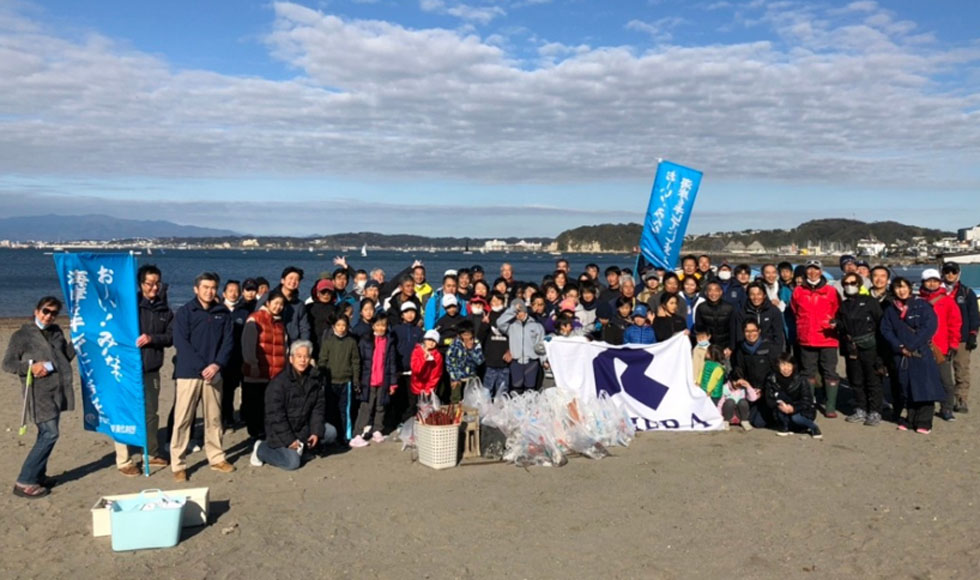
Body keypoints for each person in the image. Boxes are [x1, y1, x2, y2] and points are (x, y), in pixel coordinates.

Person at [3, 297, 75, 498]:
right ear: (36, 311)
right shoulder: (22, 335)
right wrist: (31, 368)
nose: (49, 316)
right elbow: (8, 364)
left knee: (45, 434)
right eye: (46, 311)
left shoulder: (56, 332)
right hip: (37, 393)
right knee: (50, 434)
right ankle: (24, 481)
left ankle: (39, 474)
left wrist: (75, 344)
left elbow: (63, 359)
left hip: (57, 391)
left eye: (53, 313)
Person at [171, 272, 236, 481]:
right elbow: (181, 343)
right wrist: (202, 367)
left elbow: (228, 342)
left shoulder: (223, 313)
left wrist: (217, 365)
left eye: (213, 287)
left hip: (215, 373)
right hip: (189, 373)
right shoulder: (185, 312)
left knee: (214, 419)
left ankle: (216, 457)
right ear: (196, 289)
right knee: (183, 419)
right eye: (205, 287)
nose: (209, 291)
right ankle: (178, 463)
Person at [115, 265, 172, 477]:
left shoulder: (163, 309)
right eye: (149, 283)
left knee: (150, 413)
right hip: (128, 369)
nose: (154, 287)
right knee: (125, 413)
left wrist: (152, 338)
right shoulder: (129, 306)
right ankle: (124, 459)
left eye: (157, 283)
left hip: (151, 368)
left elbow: (171, 336)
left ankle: (151, 451)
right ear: (140, 284)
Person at [249, 340, 328, 471]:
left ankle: (302, 447)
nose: (303, 360)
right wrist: (289, 440)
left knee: (329, 432)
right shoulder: (279, 383)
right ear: (291, 359)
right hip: (280, 432)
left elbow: (317, 408)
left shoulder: (314, 379)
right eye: (299, 356)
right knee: (292, 463)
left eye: (306, 356)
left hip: (302, 428)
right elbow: (275, 416)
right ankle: (261, 449)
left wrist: (315, 432)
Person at [880, 277, 945, 434]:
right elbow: (886, 330)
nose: (901, 290)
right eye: (897, 288)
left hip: (920, 352)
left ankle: (924, 422)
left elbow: (929, 327)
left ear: (909, 288)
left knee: (925, 387)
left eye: (903, 287)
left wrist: (911, 345)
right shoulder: (891, 309)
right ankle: (910, 419)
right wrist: (899, 346)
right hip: (901, 354)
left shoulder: (922, 305)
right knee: (907, 387)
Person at [791, 260, 842, 418]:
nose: (813, 273)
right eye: (810, 270)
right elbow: (795, 310)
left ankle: (830, 406)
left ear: (821, 272)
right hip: (806, 337)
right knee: (808, 372)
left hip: (827, 337)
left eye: (816, 270)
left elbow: (837, 310)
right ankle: (809, 403)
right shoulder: (798, 291)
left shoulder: (831, 291)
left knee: (830, 371)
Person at [835, 273, 884, 426]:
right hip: (852, 347)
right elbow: (843, 326)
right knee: (855, 380)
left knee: (873, 379)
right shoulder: (843, 305)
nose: (850, 285)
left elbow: (880, 324)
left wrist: (881, 351)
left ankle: (875, 411)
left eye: (853, 282)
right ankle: (860, 408)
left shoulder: (870, 302)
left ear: (859, 284)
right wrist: (836, 324)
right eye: (846, 283)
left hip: (870, 346)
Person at [241, 289, 288, 440]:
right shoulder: (255, 319)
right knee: (255, 406)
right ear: (267, 303)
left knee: (270, 405)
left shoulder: (280, 324)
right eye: (275, 303)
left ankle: (266, 434)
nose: (278, 306)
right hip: (257, 371)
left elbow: (284, 348)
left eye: (281, 304)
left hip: (275, 373)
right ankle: (255, 435)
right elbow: (248, 344)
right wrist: (252, 364)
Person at [919, 268, 962, 422]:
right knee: (924, 381)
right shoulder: (918, 301)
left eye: (935, 281)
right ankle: (925, 408)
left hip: (942, 347)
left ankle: (947, 409)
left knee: (946, 381)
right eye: (928, 281)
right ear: (923, 282)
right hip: (922, 347)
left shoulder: (947, 301)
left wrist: (953, 344)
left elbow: (955, 324)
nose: (932, 284)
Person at [350, 316, 398, 448]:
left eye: (383, 325)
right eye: (378, 325)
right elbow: (359, 361)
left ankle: (377, 429)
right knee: (366, 407)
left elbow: (392, 363)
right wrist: (358, 379)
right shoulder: (366, 341)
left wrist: (393, 383)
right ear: (373, 326)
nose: (381, 328)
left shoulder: (389, 342)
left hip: (383, 379)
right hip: (368, 380)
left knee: (380, 406)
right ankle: (357, 434)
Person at [317, 315, 360, 445]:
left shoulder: (351, 342)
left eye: (344, 325)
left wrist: (356, 379)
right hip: (330, 382)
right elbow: (322, 361)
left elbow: (355, 362)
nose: (341, 328)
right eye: (339, 325)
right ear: (333, 327)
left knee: (345, 410)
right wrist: (322, 377)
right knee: (330, 409)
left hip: (346, 381)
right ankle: (331, 436)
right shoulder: (328, 342)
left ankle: (345, 436)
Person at [942, 262, 979, 413]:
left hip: (962, 339)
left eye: (953, 271)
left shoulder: (967, 292)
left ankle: (961, 399)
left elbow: (974, 316)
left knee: (961, 370)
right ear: (942, 273)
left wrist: (972, 335)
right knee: (941, 371)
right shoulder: (938, 291)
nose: (950, 274)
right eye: (947, 271)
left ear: (958, 273)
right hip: (942, 338)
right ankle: (944, 399)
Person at [731, 319, 780, 428]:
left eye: (754, 331)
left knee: (758, 423)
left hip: (766, 391)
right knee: (747, 418)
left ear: (759, 331)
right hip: (750, 390)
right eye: (747, 331)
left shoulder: (769, 347)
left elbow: (776, 371)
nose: (751, 334)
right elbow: (738, 368)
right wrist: (738, 380)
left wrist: (764, 389)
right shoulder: (741, 348)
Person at [766, 353, 822, 439]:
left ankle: (813, 427)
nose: (786, 368)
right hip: (782, 408)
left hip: (801, 410)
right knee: (779, 411)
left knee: (795, 417)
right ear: (778, 366)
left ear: (793, 366)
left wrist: (793, 408)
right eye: (783, 365)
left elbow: (807, 400)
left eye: (789, 365)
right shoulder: (772, 379)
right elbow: (769, 398)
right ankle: (785, 427)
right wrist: (779, 405)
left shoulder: (801, 379)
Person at [497, 299, 545, 395]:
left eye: (520, 311)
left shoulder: (536, 326)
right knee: (516, 388)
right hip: (516, 361)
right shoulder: (511, 326)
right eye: (516, 312)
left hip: (532, 361)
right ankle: (516, 409)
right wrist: (512, 310)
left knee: (530, 389)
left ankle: (530, 408)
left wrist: (543, 360)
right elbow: (499, 323)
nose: (519, 314)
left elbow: (541, 345)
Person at [221, 279, 250, 431]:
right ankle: (222, 419)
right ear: (224, 293)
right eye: (230, 290)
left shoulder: (243, 311)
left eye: (236, 291)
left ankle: (230, 418)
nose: (233, 293)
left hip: (238, 357)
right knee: (222, 391)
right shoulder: (217, 310)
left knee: (232, 389)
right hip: (220, 358)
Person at [392, 301, 424, 423]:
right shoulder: (396, 330)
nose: (410, 315)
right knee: (399, 398)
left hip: (413, 371)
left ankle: (409, 421)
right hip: (399, 370)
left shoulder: (419, 331)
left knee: (412, 399)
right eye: (406, 312)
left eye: (412, 312)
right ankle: (398, 422)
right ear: (402, 315)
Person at [732, 282, 785, 353]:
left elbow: (778, 335)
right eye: (752, 294)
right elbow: (740, 336)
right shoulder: (742, 313)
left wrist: (776, 352)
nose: (756, 297)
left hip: (769, 350)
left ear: (764, 295)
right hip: (748, 351)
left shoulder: (774, 311)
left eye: (759, 294)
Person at [263, 266, 310, 342]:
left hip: (292, 344)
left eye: (297, 279)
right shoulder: (268, 297)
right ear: (282, 280)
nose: (293, 281)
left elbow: (304, 328)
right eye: (290, 278)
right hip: (271, 341)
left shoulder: (299, 304)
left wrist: (303, 345)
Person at [481, 292, 511, 399]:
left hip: (505, 362)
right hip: (490, 361)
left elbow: (514, 337)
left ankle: (501, 413)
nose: (496, 303)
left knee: (502, 391)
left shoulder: (508, 317)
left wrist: (510, 351)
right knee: (487, 390)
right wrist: (485, 324)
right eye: (493, 301)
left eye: (498, 300)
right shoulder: (487, 316)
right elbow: (480, 338)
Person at [445, 321, 485, 403]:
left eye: (468, 334)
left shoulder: (476, 343)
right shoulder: (455, 344)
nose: (467, 337)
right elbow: (449, 362)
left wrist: (471, 350)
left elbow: (480, 361)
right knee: (455, 399)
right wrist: (454, 378)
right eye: (464, 334)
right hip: (457, 377)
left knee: (471, 400)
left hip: (471, 376)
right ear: (459, 335)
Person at [408, 330, 443, 418]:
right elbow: (415, 370)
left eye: (434, 341)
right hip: (416, 386)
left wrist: (429, 388)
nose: (431, 343)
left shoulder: (437, 356)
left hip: (428, 388)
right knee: (414, 407)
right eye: (429, 340)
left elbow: (436, 374)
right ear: (424, 340)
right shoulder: (417, 351)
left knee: (427, 410)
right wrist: (424, 359)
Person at [695, 281, 735, 354]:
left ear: (721, 292)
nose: (713, 293)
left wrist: (731, 347)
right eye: (710, 290)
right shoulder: (701, 307)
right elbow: (699, 329)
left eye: (716, 290)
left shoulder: (729, 307)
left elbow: (733, 329)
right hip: (707, 346)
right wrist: (704, 346)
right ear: (706, 293)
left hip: (724, 346)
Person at [306, 278, 337, 355]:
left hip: (330, 347)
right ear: (317, 293)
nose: (326, 295)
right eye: (323, 292)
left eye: (329, 292)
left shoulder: (336, 310)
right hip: (312, 345)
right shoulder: (308, 308)